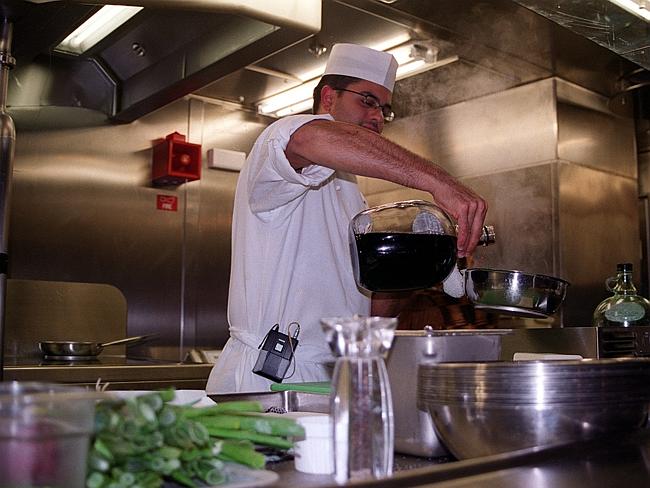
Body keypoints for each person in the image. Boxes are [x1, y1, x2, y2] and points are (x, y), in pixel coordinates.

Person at [206, 43, 487, 393]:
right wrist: (438, 181)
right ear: (328, 98)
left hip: (337, 375)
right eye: (367, 101)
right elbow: (315, 138)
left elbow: (372, 313)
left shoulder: (353, 195)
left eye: (385, 109)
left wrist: (421, 266)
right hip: (270, 376)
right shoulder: (282, 143)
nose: (377, 118)